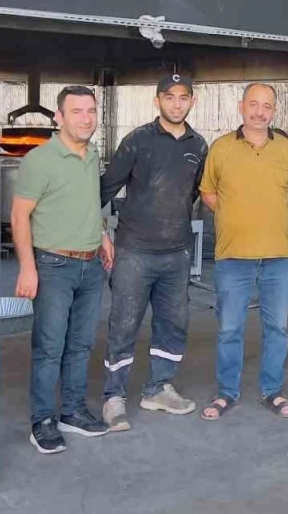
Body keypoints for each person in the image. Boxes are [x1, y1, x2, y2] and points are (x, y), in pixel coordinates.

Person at [97, 73, 208, 431]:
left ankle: (158, 388)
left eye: (183, 97)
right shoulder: (137, 141)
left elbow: (194, 193)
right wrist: (99, 233)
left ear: (192, 101)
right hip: (134, 251)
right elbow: (105, 189)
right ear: (157, 100)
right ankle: (113, 396)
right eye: (169, 97)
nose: (177, 104)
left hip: (177, 253)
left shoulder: (198, 145)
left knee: (173, 324)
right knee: (123, 323)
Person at [12, 85, 114, 454]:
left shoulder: (92, 154)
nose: (86, 119)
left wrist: (101, 234)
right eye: (77, 111)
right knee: (50, 346)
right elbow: (19, 216)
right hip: (53, 265)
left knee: (81, 344)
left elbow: (86, 202)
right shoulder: (39, 160)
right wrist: (28, 268)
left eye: (91, 111)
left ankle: (72, 411)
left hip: (90, 265)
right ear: (59, 117)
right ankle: (42, 421)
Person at [198, 83, 288, 420]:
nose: (259, 112)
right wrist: (235, 215)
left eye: (266, 106)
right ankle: (226, 392)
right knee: (230, 328)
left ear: (274, 111)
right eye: (253, 104)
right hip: (233, 256)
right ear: (241, 107)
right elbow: (209, 193)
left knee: (277, 328)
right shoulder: (221, 148)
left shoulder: (286, 150)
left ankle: (272, 390)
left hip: (278, 256)